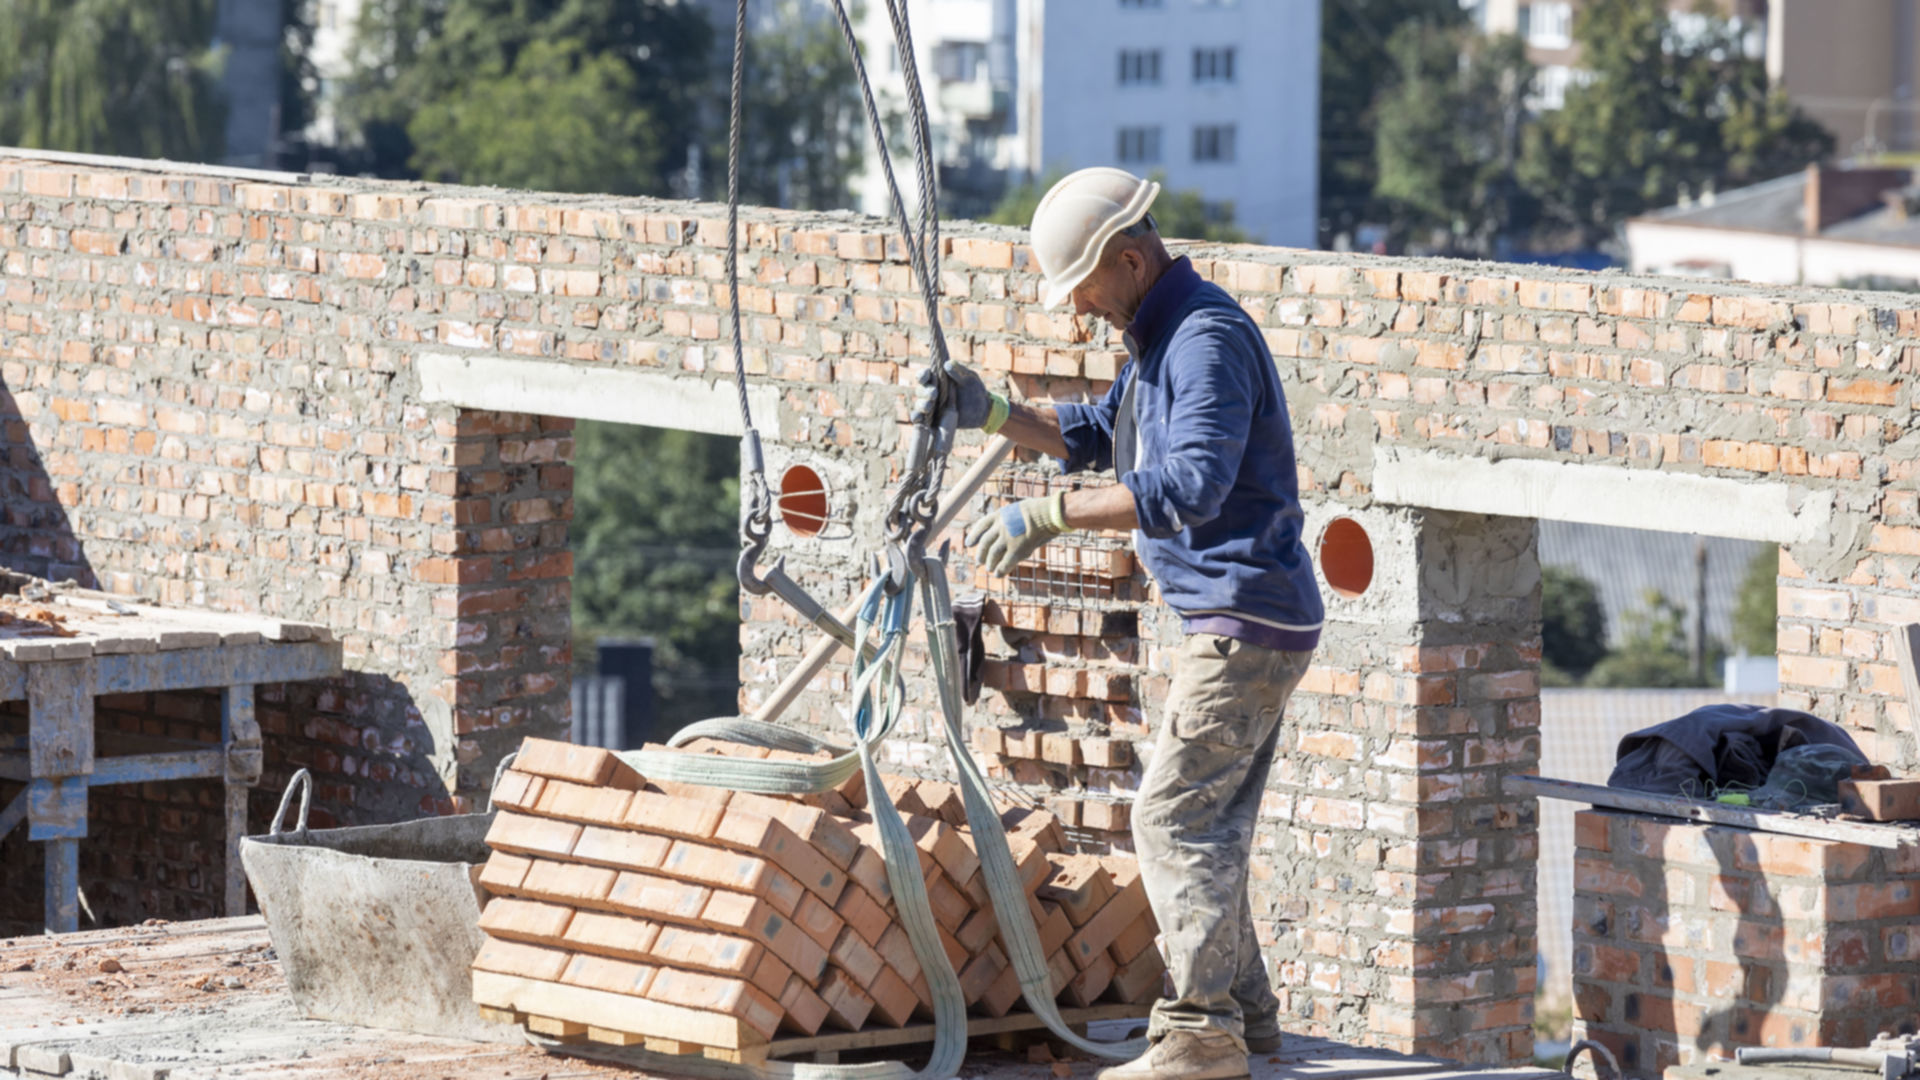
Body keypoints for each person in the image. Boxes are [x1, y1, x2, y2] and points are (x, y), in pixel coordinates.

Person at [917, 167, 1324, 1080]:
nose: (1081, 315)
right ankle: (1245, 1020)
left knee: (1172, 818)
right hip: (1244, 618)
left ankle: (1198, 1039)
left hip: (1244, 617)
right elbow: (1102, 431)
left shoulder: (1204, 340)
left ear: (1132, 259)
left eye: (1087, 293)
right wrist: (991, 413)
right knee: (1208, 825)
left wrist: (1051, 516)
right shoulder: (1161, 337)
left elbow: (1190, 487)